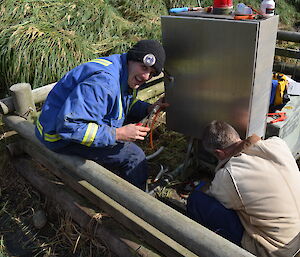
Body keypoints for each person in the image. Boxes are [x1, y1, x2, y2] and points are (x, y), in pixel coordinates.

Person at [35, 40, 167, 190]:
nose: (145, 76)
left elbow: (122, 103)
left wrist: (148, 109)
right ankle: (137, 204)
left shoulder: (121, 69)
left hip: (59, 123)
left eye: (151, 74)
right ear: (132, 59)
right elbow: (68, 127)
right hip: (58, 137)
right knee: (134, 156)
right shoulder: (104, 83)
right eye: (144, 67)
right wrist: (117, 134)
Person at [187, 120, 300, 257]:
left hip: (275, 252)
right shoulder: (277, 143)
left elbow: (215, 196)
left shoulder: (230, 175)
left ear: (219, 153)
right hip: (295, 238)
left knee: (197, 200)